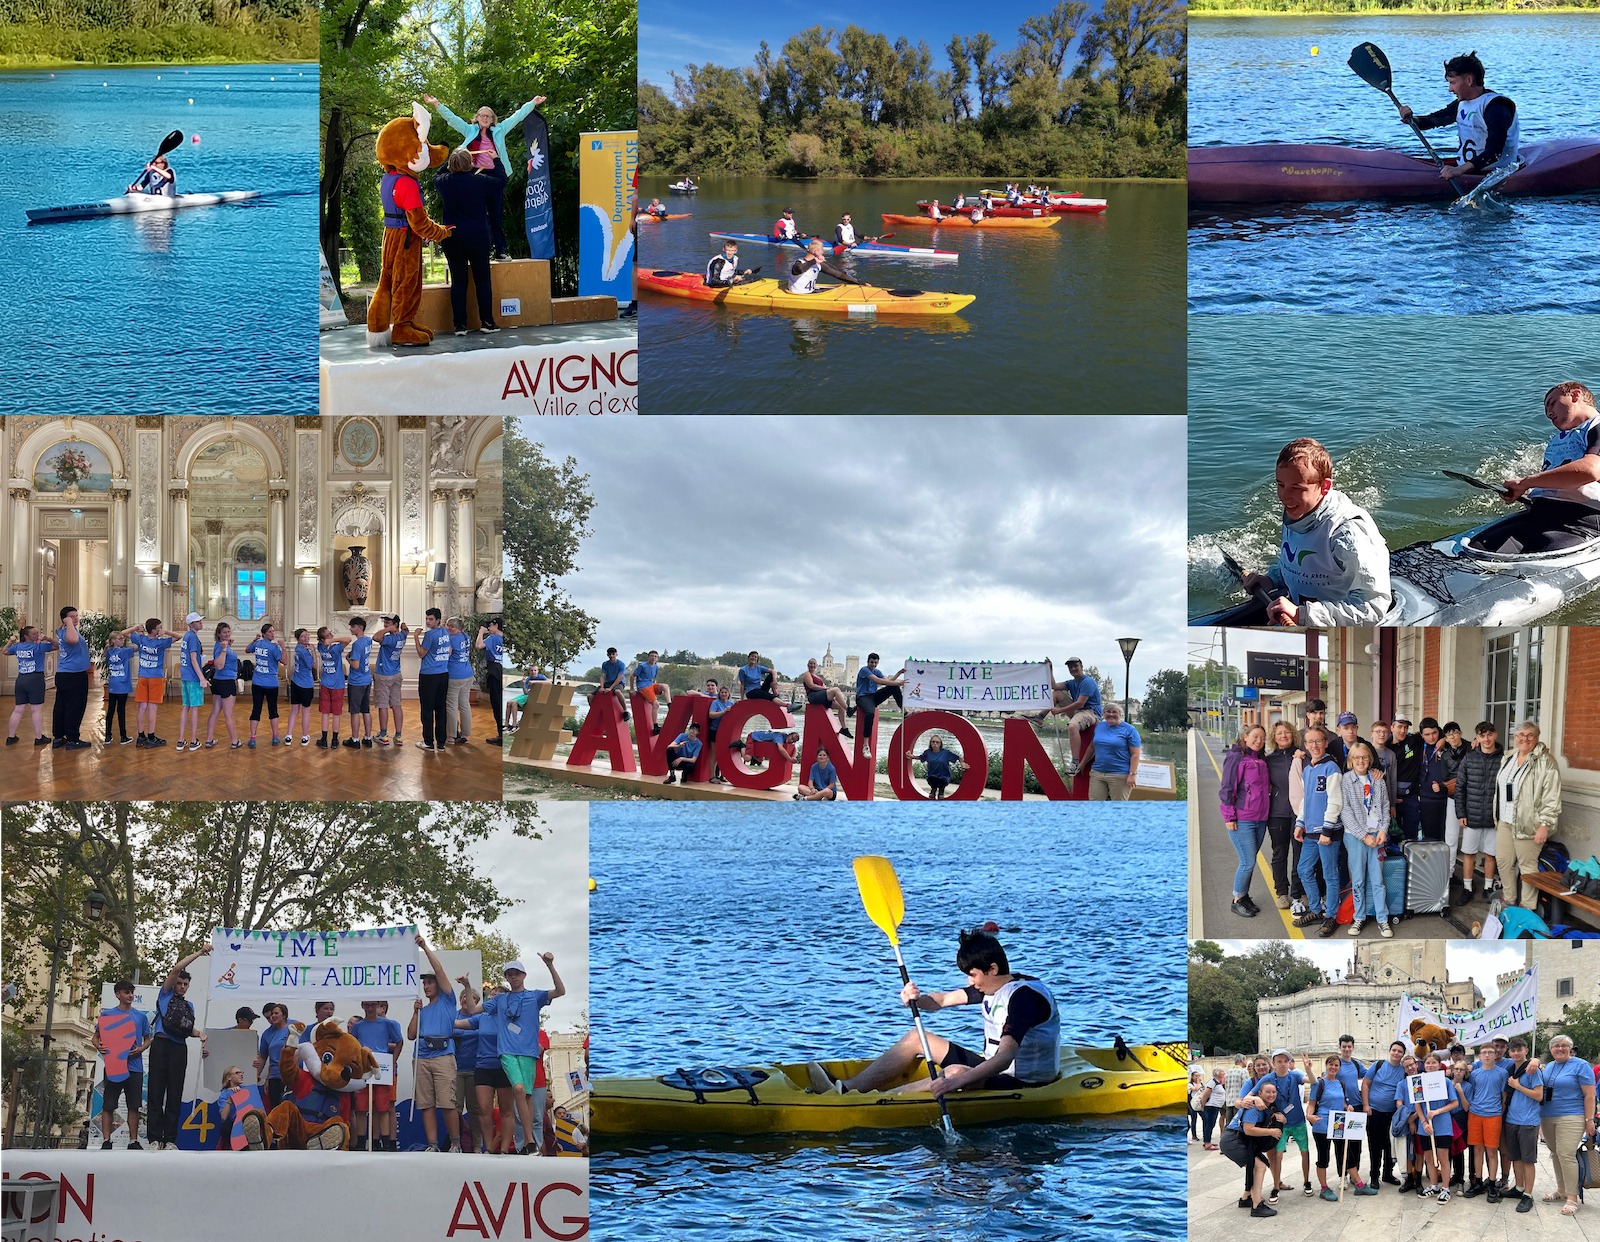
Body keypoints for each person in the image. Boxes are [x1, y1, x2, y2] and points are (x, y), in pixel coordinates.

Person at [806, 929, 1058, 1101]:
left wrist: (953, 1082)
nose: (971, 982)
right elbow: (944, 999)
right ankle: (847, 1089)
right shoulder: (991, 986)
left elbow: (1005, 1058)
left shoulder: (1024, 998)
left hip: (1023, 1082)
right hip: (995, 1069)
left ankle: (881, 1102)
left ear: (992, 969)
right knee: (917, 1037)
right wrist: (917, 999)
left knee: (956, 1073)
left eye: (972, 975)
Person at [1240, 438, 1392, 625]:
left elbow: (1371, 609)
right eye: (1280, 485)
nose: (1284, 497)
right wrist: (1271, 580)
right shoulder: (1297, 510)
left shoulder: (1348, 535)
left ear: (1325, 486)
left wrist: (1301, 614)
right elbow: (1302, 564)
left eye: (1297, 488)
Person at [1463, 381, 1600, 554]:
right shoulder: (1557, 441)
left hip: (1580, 523)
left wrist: (1526, 482)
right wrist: (1527, 491)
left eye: (1552, 403)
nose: (1549, 413)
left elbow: (1590, 470)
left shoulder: (1596, 427)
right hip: (1539, 516)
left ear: (1575, 395)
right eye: (1545, 409)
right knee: (1475, 551)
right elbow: (1556, 481)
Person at [423, 93, 548, 259]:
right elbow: (452, 119)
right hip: (475, 176)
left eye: (489, 116)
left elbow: (517, 116)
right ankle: (481, 251)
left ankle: (500, 251)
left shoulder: (500, 130)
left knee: (495, 215)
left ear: (493, 119)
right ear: (477, 117)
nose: (485, 118)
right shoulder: (469, 130)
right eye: (482, 115)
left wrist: (533, 103)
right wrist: (436, 104)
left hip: (495, 176)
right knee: (477, 214)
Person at [462, 954, 564, 1155]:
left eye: (516, 973)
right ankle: (528, 1140)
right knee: (518, 1089)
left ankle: (529, 1143)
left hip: (527, 1053)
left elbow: (561, 991)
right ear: (506, 978)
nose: (513, 977)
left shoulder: (534, 996)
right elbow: (473, 1009)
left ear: (524, 975)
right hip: (506, 1052)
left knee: (525, 1095)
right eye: (509, 974)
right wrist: (467, 985)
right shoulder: (500, 1000)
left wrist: (550, 965)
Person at [1396, 52, 1520, 184]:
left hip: (1496, 173)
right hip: (1469, 170)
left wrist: (1460, 170)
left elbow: (1494, 152)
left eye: (1453, 83)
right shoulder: (1462, 103)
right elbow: (1436, 119)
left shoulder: (1496, 107)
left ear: (1469, 80)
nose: (1450, 89)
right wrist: (1412, 119)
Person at [434, 148, 507, 335]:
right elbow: (501, 180)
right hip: (478, 236)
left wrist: (451, 160)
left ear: (451, 165)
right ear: (471, 164)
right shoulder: (480, 181)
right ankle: (487, 322)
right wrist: (496, 160)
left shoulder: (444, 182)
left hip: (452, 237)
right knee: (482, 280)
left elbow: (437, 174)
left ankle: (460, 325)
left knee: (458, 281)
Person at [1496, 720, 1563, 910]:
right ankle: (1509, 899)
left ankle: (1528, 908)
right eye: (1520, 735)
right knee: (1503, 861)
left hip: (1529, 825)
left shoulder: (1545, 762)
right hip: (1505, 820)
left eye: (1529, 735)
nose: (1524, 739)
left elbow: (1552, 796)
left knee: (1527, 867)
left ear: (1537, 737)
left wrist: (1545, 824)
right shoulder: (1509, 757)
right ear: (1515, 737)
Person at [149, 947, 209, 1150]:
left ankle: (170, 1140)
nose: (182, 986)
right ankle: (154, 1139)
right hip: (161, 1045)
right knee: (156, 1092)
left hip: (178, 1048)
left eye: (186, 984)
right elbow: (176, 969)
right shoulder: (165, 995)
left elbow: (187, 1028)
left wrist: (199, 1033)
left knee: (175, 1094)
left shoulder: (189, 1005)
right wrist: (200, 953)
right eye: (180, 983)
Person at [409, 935, 462, 1152]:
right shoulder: (423, 1008)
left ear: (438, 985)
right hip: (421, 1056)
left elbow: (439, 970)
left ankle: (455, 1144)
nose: (426, 985)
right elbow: (411, 1035)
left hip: (443, 1056)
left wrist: (425, 947)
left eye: (430, 982)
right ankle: (432, 1145)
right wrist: (415, 1012)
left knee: (448, 1103)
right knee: (426, 1104)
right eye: (424, 982)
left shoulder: (448, 1000)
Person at [1293, 726, 1345, 935]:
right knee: (1304, 870)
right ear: (1305, 745)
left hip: (1327, 832)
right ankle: (1315, 909)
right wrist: (1299, 822)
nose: (1314, 746)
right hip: (1311, 832)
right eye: (1310, 742)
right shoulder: (1308, 769)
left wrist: (1327, 830)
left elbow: (1335, 802)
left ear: (1325, 743)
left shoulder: (1332, 768)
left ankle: (1331, 916)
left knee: (1330, 875)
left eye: (1318, 741)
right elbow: (1306, 800)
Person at [1340, 740, 1394, 938]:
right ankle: (1359, 916)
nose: (1361, 761)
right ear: (1351, 761)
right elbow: (1345, 812)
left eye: (1364, 757)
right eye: (1356, 758)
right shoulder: (1346, 780)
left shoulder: (1378, 780)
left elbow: (1386, 807)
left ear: (1369, 759)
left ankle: (1382, 919)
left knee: (1378, 880)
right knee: (1359, 880)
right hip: (1356, 837)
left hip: (1377, 837)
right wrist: (1363, 836)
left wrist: (1382, 831)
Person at [455, 983, 515, 1154]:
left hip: (504, 1067)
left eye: (496, 995)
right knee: (483, 1110)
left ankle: (503, 1149)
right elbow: (458, 1023)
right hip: (483, 1067)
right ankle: (488, 1148)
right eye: (491, 995)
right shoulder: (482, 1017)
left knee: (506, 1111)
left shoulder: (510, 1018)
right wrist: (435, 1017)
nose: (491, 998)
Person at [1306, 1053, 1376, 1197]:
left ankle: (1359, 1184)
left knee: (1346, 1154)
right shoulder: (1319, 1083)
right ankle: (1324, 1188)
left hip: (1338, 1124)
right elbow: (1311, 1104)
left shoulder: (1340, 1084)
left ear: (1339, 1067)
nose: (1333, 1067)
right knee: (1323, 1157)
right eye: (1331, 1064)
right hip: (1321, 1125)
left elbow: (1342, 1101)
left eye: (1336, 1065)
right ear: (1326, 1065)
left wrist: (1347, 1107)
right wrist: (1309, 1116)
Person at [94, 980, 153, 1150]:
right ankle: (106, 1140)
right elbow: (95, 1037)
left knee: (133, 1105)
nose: (130, 996)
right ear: (118, 994)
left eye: (132, 992)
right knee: (108, 1104)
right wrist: (99, 1046)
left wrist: (140, 1049)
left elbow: (148, 1039)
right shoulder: (107, 1015)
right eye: (126, 992)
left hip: (135, 1067)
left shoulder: (140, 1016)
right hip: (114, 1066)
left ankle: (133, 1141)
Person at [1540, 1034, 1594, 1216]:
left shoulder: (1581, 1065)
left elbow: (1589, 1095)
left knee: (1566, 1154)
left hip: (1572, 1115)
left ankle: (1573, 1197)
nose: (1560, 1048)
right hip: (1548, 1116)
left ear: (1570, 1048)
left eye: (1564, 1046)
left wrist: (1589, 1120)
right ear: (1551, 1049)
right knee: (1555, 1154)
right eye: (1556, 1046)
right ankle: (1561, 1189)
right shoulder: (1548, 1067)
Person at [1220, 724, 1270, 919]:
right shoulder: (1236, 758)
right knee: (1247, 861)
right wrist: (1229, 816)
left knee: (1250, 860)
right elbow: (1226, 789)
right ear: (1245, 736)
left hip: (1260, 818)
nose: (1259, 741)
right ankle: (1237, 900)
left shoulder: (1260, 759)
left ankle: (1244, 895)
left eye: (1262, 738)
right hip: (1243, 818)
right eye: (1255, 737)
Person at [1454, 721, 1503, 898]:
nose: (1487, 739)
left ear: (1495, 735)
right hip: (1472, 815)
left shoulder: (1504, 759)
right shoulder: (1469, 758)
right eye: (1482, 736)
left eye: (1490, 734)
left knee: (1491, 853)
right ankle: (1468, 887)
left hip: (1494, 816)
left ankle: (1488, 887)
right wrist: (1461, 813)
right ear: (1478, 738)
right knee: (1469, 853)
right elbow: (1460, 787)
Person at [349, 999, 404, 1151]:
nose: (370, 1008)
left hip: (382, 1069)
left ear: (378, 1005)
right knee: (361, 1108)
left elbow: (399, 1041)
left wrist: (392, 1061)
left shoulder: (388, 1024)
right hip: (364, 1070)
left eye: (373, 1005)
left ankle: (385, 1142)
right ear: (362, 1006)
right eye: (367, 1005)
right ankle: (361, 1143)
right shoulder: (358, 1027)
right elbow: (353, 1045)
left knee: (383, 1108)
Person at [1224, 1079, 1284, 1218]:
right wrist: (1271, 1132)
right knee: (1260, 1166)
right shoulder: (1254, 1107)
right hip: (1233, 1140)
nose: (1271, 1094)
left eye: (1273, 1092)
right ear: (1259, 1093)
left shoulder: (1268, 1107)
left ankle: (1246, 1198)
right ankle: (1257, 1205)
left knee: (1255, 1165)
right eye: (1267, 1092)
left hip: (1241, 1140)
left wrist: (1282, 1120)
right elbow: (1249, 1129)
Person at [1265, 722, 1307, 912]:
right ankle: (1282, 893)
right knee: (1280, 853)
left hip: (1299, 813)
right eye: (1279, 733)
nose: (1283, 736)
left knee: (1300, 854)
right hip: (1278, 812)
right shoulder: (1268, 760)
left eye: (1287, 732)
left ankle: (1298, 892)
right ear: (1274, 737)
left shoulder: (1301, 755)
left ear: (1293, 735)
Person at [1033, 658, 1102, 773]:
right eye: (1070, 667)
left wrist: (1059, 711)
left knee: (1072, 726)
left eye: (1076, 666)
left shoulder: (1088, 682)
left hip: (1090, 713)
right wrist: (1050, 669)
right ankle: (1039, 718)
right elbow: (1054, 686)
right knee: (1056, 693)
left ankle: (1075, 762)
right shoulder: (1072, 682)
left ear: (1081, 666)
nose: (1073, 669)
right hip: (1079, 712)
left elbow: (1080, 703)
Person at [1416, 1050, 1468, 1201]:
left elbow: (1454, 1103)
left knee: (1443, 1158)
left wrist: (1437, 1111)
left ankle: (1445, 1188)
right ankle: (1433, 1185)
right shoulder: (1419, 1081)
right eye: (1428, 1063)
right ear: (1423, 1065)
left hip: (1443, 1125)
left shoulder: (1445, 1082)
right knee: (1429, 1158)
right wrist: (1424, 1122)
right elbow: (1418, 1105)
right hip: (1425, 1126)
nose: (1430, 1065)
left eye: (1433, 1063)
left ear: (1439, 1065)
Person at [1462, 1043, 1510, 1200]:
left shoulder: (1502, 1073)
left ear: (1495, 1054)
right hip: (1475, 1114)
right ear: (1480, 1056)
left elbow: (1504, 1097)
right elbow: (1474, 1092)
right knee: (1477, 1150)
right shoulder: (1475, 1074)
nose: (1487, 1055)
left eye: (1490, 1052)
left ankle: (1491, 1182)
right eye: (1484, 1052)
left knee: (1491, 1151)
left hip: (1493, 1116)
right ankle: (1477, 1182)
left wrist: (1499, 1114)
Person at [1503, 1037, 1543, 1211]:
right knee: (1516, 1158)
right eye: (1513, 1050)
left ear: (1526, 1050)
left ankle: (1528, 1194)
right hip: (1512, 1119)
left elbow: (1539, 1095)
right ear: (1509, 1053)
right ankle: (1519, 1188)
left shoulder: (1532, 1070)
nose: (1516, 1053)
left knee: (1528, 1160)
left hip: (1528, 1121)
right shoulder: (1512, 1068)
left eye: (1519, 1049)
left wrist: (1518, 1086)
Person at [1362, 1041, 1409, 1187]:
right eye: (1394, 1050)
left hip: (1393, 1114)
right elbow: (1365, 1083)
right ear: (1390, 1051)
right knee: (1375, 1145)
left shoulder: (1403, 1071)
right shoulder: (1378, 1065)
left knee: (1390, 1146)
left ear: (1402, 1054)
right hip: (1374, 1112)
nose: (1396, 1053)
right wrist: (1365, 1105)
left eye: (1399, 1051)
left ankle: (1388, 1173)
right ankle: (1374, 1176)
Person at [125, 618, 176, 748]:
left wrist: (136, 627)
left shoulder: (141, 639)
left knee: (142, 707)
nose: (161, 629)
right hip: (156, 677)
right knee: (152, 707)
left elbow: (123, 633)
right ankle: (151, 737)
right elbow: (178, 637)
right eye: (160, 627)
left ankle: (141, 736)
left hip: (143, 676)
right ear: (154, 630)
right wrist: (167, 632)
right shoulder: (162, 642)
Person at [6, 625, 57, 746]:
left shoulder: (17, 647)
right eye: (34, 634)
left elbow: (4, 651)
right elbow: (58, 646)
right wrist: (47, 638)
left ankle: (10, 736)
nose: (37, 635)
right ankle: (38, 737)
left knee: (18, 710)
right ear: (26, 636)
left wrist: (10, 641)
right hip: (35, 679)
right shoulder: (39, 647)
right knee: (36, 709)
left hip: (21, 679)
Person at [52, 605, 93, 750]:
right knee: (74, 706)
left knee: (62, 705)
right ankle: (72, 739)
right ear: (65, 619)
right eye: (72, 616)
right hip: (73, 675)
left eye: (76, 616)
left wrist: (68, 623)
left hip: (66, 674)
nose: (76, 619)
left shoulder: (64, 630)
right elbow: (73, 641)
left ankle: (58, 737)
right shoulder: (69, 630)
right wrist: (68, 622)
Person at [1087, 703, 1141, 801]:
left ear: (1120, 714)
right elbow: (1092, 747)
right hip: (1098, 773)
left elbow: (1135, 754)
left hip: (1119, 775)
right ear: (1104, 714)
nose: (1111, 714)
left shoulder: (1129, 730)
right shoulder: (1099, 726)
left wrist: (1132, 774)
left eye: (1114, 712)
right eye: (1108, 712)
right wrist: (1082, 764)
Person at [415, 608, 451, 750]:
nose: (428, 621)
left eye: (430, 619)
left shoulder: (430, 635)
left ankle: (428, 742)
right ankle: (441, 743)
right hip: (443, 674)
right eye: (427, 618)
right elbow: (449, 650)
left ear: (438, 620)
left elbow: (421, 653)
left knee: (427, 709)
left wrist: (416, 637)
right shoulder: (445, 632)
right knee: (441, 708)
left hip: (429, 675)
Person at [245, 622, 284, 748]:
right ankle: (274, 736)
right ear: (264, 634)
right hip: (269, 683)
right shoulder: (274, 648)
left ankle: (255, 738)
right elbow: (285, 661)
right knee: (271, 710)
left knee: (258, 709)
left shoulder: (257, 644)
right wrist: (283, 648)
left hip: (260, 683)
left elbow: (247, 649)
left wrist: (254, 640)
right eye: (270, 632)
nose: (273, 634)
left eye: (273, 631)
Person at [204, 623, 242, 749]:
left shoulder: (222, 644)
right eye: (224, 632)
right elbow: (219, 665)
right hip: (226, 682)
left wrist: (227, 646)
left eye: (229, 632)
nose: (227, 634)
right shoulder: (221, 646)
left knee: (215, 711)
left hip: (219, 681)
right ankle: (234, 741)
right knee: (228, 714)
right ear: (219, 634)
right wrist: (225, 648)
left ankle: (209, 740)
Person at [852, 653, 906, 741]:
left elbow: (888, 681)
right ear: (867, 662)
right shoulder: (864, 670)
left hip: (873, 697)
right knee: (870, 713)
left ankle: (904, 711)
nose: (873, 665)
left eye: (875, 663)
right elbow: (878, 680)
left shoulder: (877, 671)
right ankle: (866, 743)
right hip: (863, 697)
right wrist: (898, 683)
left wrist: (899, 673)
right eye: (872, 662)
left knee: (894, 687)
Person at [374, 615, 409, 746]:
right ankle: (398, 736)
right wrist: (403, 628)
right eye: (384, 623)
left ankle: (383, 735)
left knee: (383, 705)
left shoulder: (389, 639)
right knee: (396, 704)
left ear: (394, 624)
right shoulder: (402, 636)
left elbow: (375, 637)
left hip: (383, 675)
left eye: (387, 623)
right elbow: (406, 631)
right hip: (396, 674)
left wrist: (388, 629)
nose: (384, 625)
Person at [1417, 717, 1453, 844]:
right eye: (1427, 734)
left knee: (1446, 835)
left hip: (1447, 796)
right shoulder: (1418, 745)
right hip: (1426, 798)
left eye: (1434, 733)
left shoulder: (1447, 744)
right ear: (1421, 735)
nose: (1431, 737)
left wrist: (1445, 738)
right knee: (1430, 836)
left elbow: (1464, 743)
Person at [254, 1001, 294, 1110]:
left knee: (293, 1108)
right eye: (269, 1017)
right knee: (277, 1109)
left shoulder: (294, 1027)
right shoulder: (267, 1034)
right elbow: (263, 1057)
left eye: (275, 1014)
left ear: (284, 1015)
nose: (272, 1018)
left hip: (292, 1075)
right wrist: (254, 1077)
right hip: (275, 1077)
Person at [1390, 714, 1424, 841]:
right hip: (1393, 799)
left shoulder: (1414, 740)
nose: (1403, 730)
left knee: (1411, 834)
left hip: (1411, 796)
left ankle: (1410, 859)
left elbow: (1435, 732)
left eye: (1405, 727)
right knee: (1393, 833)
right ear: (1392, 727)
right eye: (1399, 727)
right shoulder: (1386, 746)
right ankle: (1396, 860)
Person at [176, 611, 206, 751]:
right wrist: (202, 677)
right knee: (194, 708)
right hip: (193, 677)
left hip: (185, 676)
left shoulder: (186, 636)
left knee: (185, 707)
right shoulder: (192, 637)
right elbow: (194, 659)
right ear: (191, 624)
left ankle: (181, 740)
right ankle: (193, 740)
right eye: (198, 621)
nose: (201, 623)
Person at [788, 239, 861, 296]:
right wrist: (814, 261)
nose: (822, 252)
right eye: (821, 250)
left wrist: (858, 283)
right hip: (798, 294)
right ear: (815, 252)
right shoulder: (798, 262)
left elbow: (838, 274)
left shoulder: (818, 264)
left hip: (810, 292)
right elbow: (799, 270)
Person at [800, 658, 851, 736]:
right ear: (808, 665)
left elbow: (825, 688)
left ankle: (844, 728)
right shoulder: (807, 674)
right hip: (813, 696)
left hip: (821, 697)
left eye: (814, 664)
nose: (812, 665)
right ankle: (849, 709)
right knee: (836, 689)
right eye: (811, 663)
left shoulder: (818, 677)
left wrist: (832, 695)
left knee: (841, 707)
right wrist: (826, 689)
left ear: (816, 665)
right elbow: (811, 686)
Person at [345, 616, 375, 748]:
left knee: (355, 711)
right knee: (366, 710)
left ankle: (355, 739)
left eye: (353, 626)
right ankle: (368, 738)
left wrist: (348, 659)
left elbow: (356, 665)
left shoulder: (357, 644)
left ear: (360, 628)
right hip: (367, 679)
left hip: (356, 681)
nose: (350, 629)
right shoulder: (368, 640)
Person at [445, 616, 475, 744]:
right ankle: (466, 734)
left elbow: (447, 654)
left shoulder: (451, 639)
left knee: (451, 705)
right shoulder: (466, 636)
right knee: (464, 705)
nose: (447, 628)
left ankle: (451, 736)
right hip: (467, 673)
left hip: (454, 675)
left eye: (449, 626)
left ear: (455, 627)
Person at [286, 627, 318, 747]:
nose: (307, 638)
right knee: (305, 711)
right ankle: (304, 737)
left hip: (295, 682)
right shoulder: (304, 651)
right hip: (305, 685)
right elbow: (314, 665)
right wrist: (313, 651)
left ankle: (289, 735)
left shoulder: (298, 648)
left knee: (294, 710)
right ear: (298, 639)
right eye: (303, 636)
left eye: (307, 635)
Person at [477, 618, 506, 745]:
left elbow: (479, 645)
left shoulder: (493, 637)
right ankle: (502, 733)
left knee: (496, 704)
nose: (489, 627)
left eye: (490, 625)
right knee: (500, 702)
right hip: (500, 669)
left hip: (494, 669)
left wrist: (481, 632)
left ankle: (501, 736)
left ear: (496, 625)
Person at [103, 630, 134, 745]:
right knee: (121, 710)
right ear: (113, 641)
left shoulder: (110, 651)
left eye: (122, 638)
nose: (123, 640)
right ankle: (123, 736)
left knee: (110, 710)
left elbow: (104, 653)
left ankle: (108, 736)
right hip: (122, 684)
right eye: (120, 638)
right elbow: (138, 648)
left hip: (113, 684)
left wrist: (107, 646)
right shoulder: (124, 651)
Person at [631, 650, 671, 736]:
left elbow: (653, 679)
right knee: (656, 704)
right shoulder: (642, 666)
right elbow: (632, 676)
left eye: (655, 656)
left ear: (657, 658)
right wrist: (632, 689)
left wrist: (656, 688)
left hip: (651, 685)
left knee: (665, 686)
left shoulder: (656, 667)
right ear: (648, 657)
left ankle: (669, 704)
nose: (653, 658)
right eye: (652, 656)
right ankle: (655, 726)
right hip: (643, 686)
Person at [705, 687, 734, 782]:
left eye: (726, 692)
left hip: (725, 732)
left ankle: (722, 775)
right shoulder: (715, 703)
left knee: (723, 753)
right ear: (719, 693)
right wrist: (723, 712)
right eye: (722, 692)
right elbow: (711, 714)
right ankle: (712, 776)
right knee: (714, 753)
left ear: (729, 694)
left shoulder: (731, 703)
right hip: (715, 730)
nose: (724, 694)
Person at [596, 646, 630, 721]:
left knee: (617, 691)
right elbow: (602, 676)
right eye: (609, 654)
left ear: (616, 654)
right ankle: (596, 712)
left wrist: (610, 688)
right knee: (590, 696)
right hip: (608, 682)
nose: (611, 656)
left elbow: (619, 678)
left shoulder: (621, 664)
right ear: (607, 655)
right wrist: (602, 687)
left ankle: (625, 711)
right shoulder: (605, 664)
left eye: (613, 654)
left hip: (619, 683)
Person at [1202, 1067, 1227, 1149]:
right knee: (1210, 1124)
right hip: (1211, 1106)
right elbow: (1206, 1093)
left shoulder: (1217, 1082)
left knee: (1210, 1124)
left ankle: (1207, 1141)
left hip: (1215, 1106)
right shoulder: (1213, 1082)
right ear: (1217, 1073)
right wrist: (1203, 1104)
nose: (1224, 1073)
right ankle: (1207, 1143)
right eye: (1222, 1071)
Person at [1189, 1070, 1207, 1142]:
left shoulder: (1201, 1084)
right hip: (1193, 1103)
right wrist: (1198, 1082)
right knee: (1194, 1118)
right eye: (1196, 1076)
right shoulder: (1190, 1084)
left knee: (1205, 1118)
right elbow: (1195, 1089)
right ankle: (1194, 1135)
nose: (1197, 1077)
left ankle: (1205, 1133)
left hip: (1200, 1103)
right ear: (1192, 1077)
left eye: (1198, 1075)